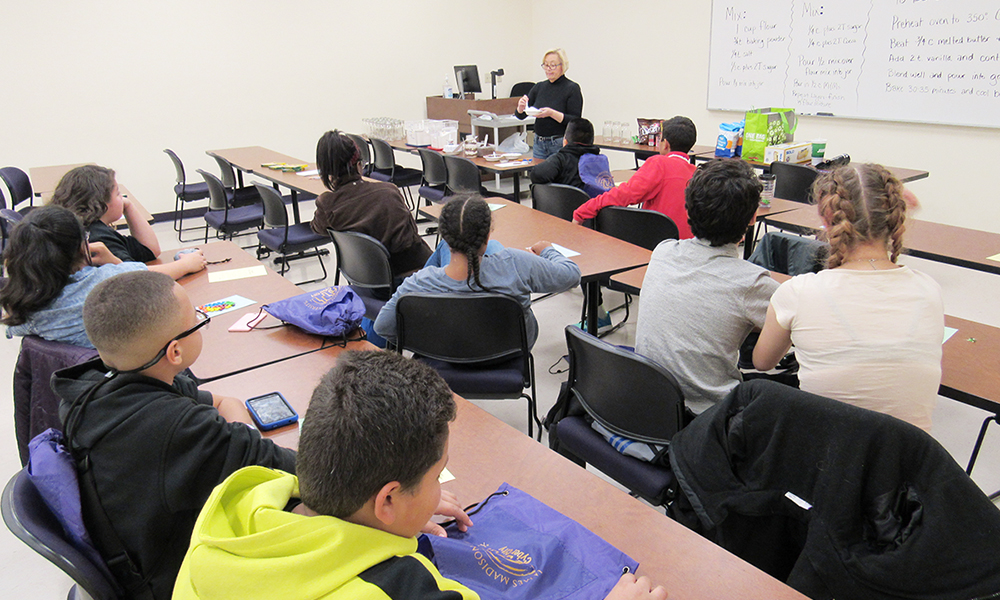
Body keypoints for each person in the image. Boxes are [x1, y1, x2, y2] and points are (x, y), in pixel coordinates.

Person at [172, 350, 668, 600]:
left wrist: (398, 519)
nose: (438, 495)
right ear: (386, 500)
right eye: (435, 480)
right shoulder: (399, 587)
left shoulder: (233, 513)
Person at [53, 270, 296, 599]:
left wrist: (239, 438)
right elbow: (295, 471)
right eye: (197, 319)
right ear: (175, 352)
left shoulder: (99, 388)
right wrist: (242, 440)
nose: (200, 319)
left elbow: (227, 402)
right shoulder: (178, 427)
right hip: (167, 579)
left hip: (135, 548)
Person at [753, 163, 944, 432]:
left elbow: (762, 362)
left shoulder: (798, 292)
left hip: (823, 461)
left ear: (827, 217)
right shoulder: (930, 290)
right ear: (895, 218)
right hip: (908, 466)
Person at [634, 159, 779, 415]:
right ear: (753, 217)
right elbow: (795, 327)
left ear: (688, 210)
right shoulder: (753, 284)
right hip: (709, 417)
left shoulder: (663, 251)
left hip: (651, 403)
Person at [374, 194, 581, 348]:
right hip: (511, 351)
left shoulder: (418, 284)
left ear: (444, 236)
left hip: (444, 353)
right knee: (497, 252)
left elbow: (383, 327)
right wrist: (548, 250)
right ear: (487, 234)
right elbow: (571, 275)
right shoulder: (516, 264)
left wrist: (426, 345)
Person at [1, 205, 147, 348]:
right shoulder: (108, 278)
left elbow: (11, 327)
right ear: (82, 246)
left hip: (80, 370)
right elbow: (157, 280)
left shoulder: (28, 307)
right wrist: (116, 262)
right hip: (126, 364)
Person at [310, 130, 432, 279]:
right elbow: (409, 237)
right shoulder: (388, 192)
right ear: (359, 165)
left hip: (367, 278)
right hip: (413, 274)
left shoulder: (327, 203)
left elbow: (318, 228)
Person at [50, 164, 206, 280]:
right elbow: (137, 278)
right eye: (118, 194)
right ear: (101, 205)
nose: (123, 198)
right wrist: (185, 265)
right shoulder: (98, 237)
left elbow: (149, 250)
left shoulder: (88, 227)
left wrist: (128, 206)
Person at [572, 116, 697, 238]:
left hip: (657, 243)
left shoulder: (660, 164)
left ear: (665, 145)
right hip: (688, 247)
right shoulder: (698, 174)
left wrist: (584, 210)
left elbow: (625, 194)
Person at [515, 48, 585, 160]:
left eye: (553, 65)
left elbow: (575, 121)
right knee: (539, 175)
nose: (548, 69)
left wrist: (552, 114)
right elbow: (521, 115)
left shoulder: (572, 88)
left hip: (558, 143)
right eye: (546, 65)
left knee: (557, 176)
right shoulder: (539, 87)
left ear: (563, 66)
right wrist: (521, 107)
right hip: (539, 143)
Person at [529, 117, 603, 192]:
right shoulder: (600, 160)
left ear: (565, 141)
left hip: (566, 202)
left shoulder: (561, 159)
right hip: (595, 202)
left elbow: (536, 175)